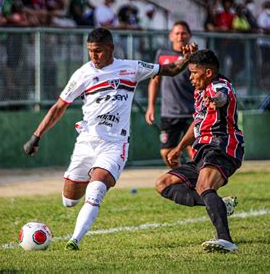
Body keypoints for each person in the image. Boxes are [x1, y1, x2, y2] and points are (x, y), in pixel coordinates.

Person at [23, 28, 198, 250]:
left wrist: (186, 58)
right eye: (90, 51)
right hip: (86, 143)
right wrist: (36, 135)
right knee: (69, 200)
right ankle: (92, 176)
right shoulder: (82, 74)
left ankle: (74, 240)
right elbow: (59, 107)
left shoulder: (131, 68)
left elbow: (171, 69)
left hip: (115, 144)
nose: (94, 56)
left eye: (98, 51)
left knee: (96, 191)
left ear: (111, 48)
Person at [155, 49, 244, 253]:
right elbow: (198, 122)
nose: (190, 77)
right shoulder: (199, 91)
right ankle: (220, 204)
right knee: (163, 184)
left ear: (208, 73)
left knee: (204, 185)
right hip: (203, 149)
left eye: (194, 72)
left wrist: (216, 100)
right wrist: (177, 148)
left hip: (222, 145)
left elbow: (221, 96)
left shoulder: (219, 86)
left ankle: (226, 240)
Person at [145, 21, 195, 166]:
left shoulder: (195, 56)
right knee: (167, 153)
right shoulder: (162, 55)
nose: (180, 36)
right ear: (171, 36)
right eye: (177, 33)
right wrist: (150, 106)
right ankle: (181, 179)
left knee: (195, 151)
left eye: (184, 33)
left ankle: (198, 182)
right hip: (170, 113)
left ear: (189, 35)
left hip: (192, 112)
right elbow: (154, 81)